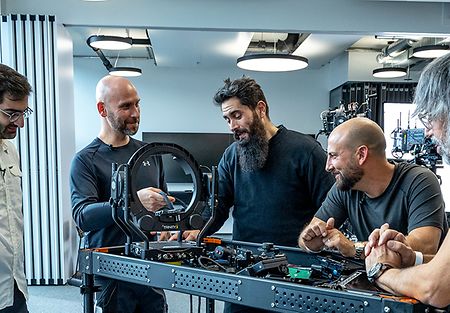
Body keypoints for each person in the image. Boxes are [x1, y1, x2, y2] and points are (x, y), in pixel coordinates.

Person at [175, 77, 334, 313]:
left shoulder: (306, 151)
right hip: (244, 270)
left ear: (260, 109)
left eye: (237, 115)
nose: (232, 125)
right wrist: (196, 230)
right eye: (227, 119)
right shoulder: (231, 156)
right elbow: (218, 207)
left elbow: (331, 205)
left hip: (294, 271)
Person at [70, 75, 172, 313]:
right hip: (111, 274)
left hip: (149, 270)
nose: (135, 112)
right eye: (125, 106)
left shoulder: (150, 153)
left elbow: (163, 205)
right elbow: (83, 216)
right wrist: (133, 202)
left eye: (137, 104)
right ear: (102, 109)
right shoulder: (86, 160)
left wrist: (168, 224)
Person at [364, 54, 450, 308]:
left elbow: (435, 288)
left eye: (431, 117)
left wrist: (380, 271)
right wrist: (412, 259)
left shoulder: (418, 180)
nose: (428, 131)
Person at [298, 117, 448, 259]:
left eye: (333, 156)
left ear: (361, 154)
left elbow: (426, 247)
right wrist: (311, 241)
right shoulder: (346, 187)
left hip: (420, 283)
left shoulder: (419, 181)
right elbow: (309, 234)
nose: (327, 166)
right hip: (378, 280)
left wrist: (353, 249)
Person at [0, 64, 33, 313]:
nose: (20, 123)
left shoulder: (10, 150)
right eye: (11, 114)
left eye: (23, 113)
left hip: (12, 282)